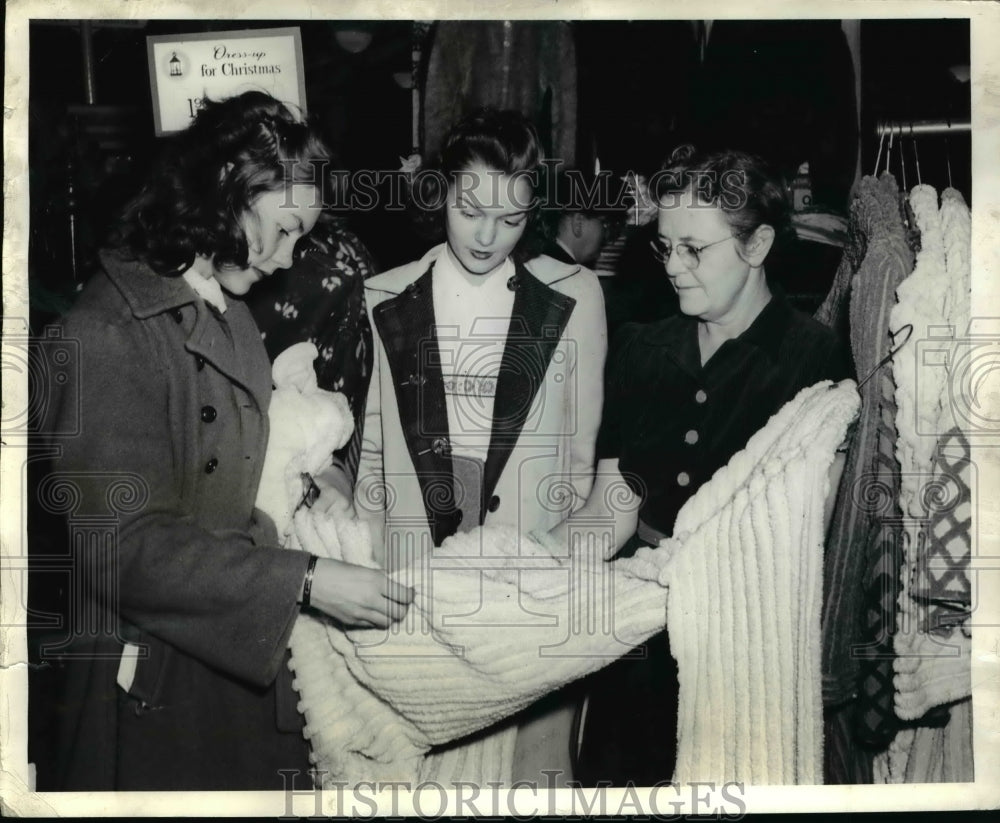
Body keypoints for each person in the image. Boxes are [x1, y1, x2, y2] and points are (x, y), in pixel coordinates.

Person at [36, 91, 411, 791]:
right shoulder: (104, 332)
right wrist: (301, 578)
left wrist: (321, 484)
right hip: (155, 692)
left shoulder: (228, 310)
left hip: (234, 660)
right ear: (229, 187)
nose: (291, 257)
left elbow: (250, 465)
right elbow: (120, 549)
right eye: (287, 228)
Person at [548, 146, 853, 785]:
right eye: (665, 248)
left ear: (758, 244)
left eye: (695, 249)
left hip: (742, 651)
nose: (674, 268)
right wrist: (528, 567)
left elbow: (806, 533)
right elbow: (615, 504)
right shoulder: (641, 347)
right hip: (636, 647)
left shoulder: (813, 362)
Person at [353, 108, 607, 783]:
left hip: (528, 563)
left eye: (512, 219)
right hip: (415, 562)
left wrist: (557, 569)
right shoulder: (385, 294)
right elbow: (375, 455)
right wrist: (371, 572)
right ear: (441, 192)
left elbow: (579, 458)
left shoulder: (575, 294)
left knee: (521, 771)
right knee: (422, 768)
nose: (488, 235)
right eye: (471, 210)